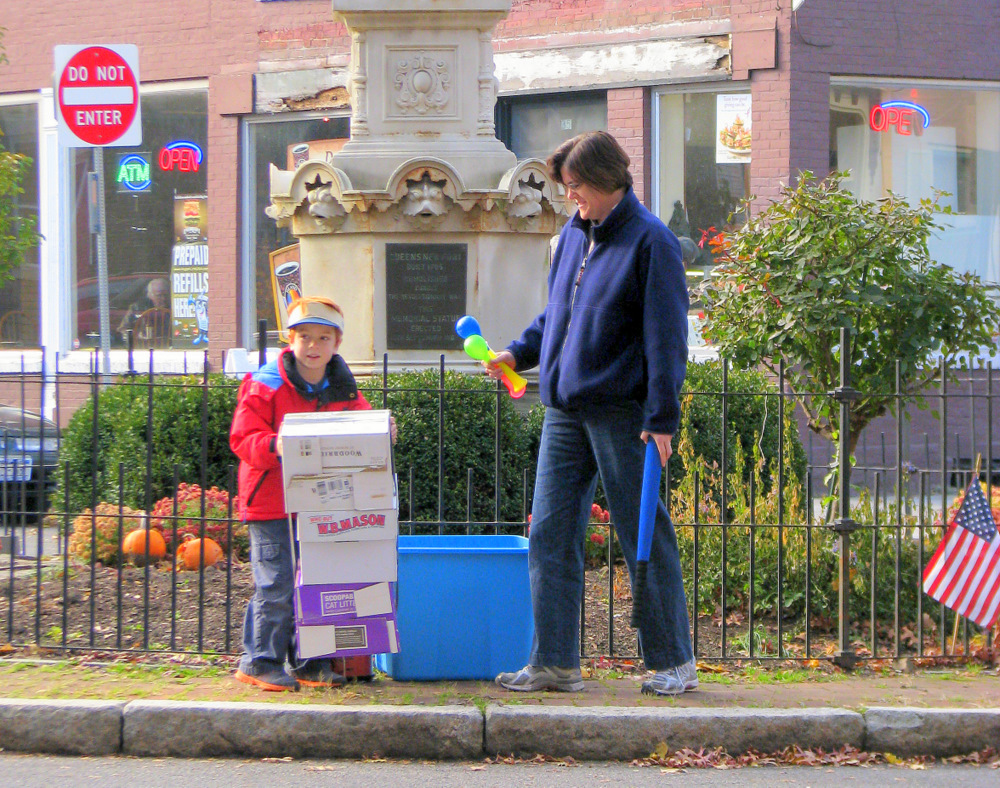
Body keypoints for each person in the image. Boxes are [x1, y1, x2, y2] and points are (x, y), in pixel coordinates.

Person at [488, 131, 697, 696]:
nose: (570, 196)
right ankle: (554, 662)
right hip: (564, 411)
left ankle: (674, 661)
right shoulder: (572, 236)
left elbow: (667, 338)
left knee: (641, 531)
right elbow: (557, 315)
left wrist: (662, 418)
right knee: (549, 532)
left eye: (576, 185)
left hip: (624, 413)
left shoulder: (652, 242)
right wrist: (518, 353)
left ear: (607, 179)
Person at [230, 296, 371, 692]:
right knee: (275, 584)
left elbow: (362, 422)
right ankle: (259, 661)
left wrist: (382, 429)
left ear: (337, 344)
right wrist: (276, 444)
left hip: (318, 502)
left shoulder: (343, 386)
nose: (313, 346)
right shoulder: (265, 383)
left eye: (323, 338)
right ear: (289, 340)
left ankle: (311, 663)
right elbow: (243, 438)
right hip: (270, 500)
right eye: (304, 336)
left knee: (317, 582)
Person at [117, 277, 170, 342]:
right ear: (150, 295)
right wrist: (137, 335)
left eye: (166, 295)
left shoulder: (174, 307)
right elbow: (123, 329)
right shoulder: (137, 308)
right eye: (159, 295)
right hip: (143, 345)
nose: (163, 298)